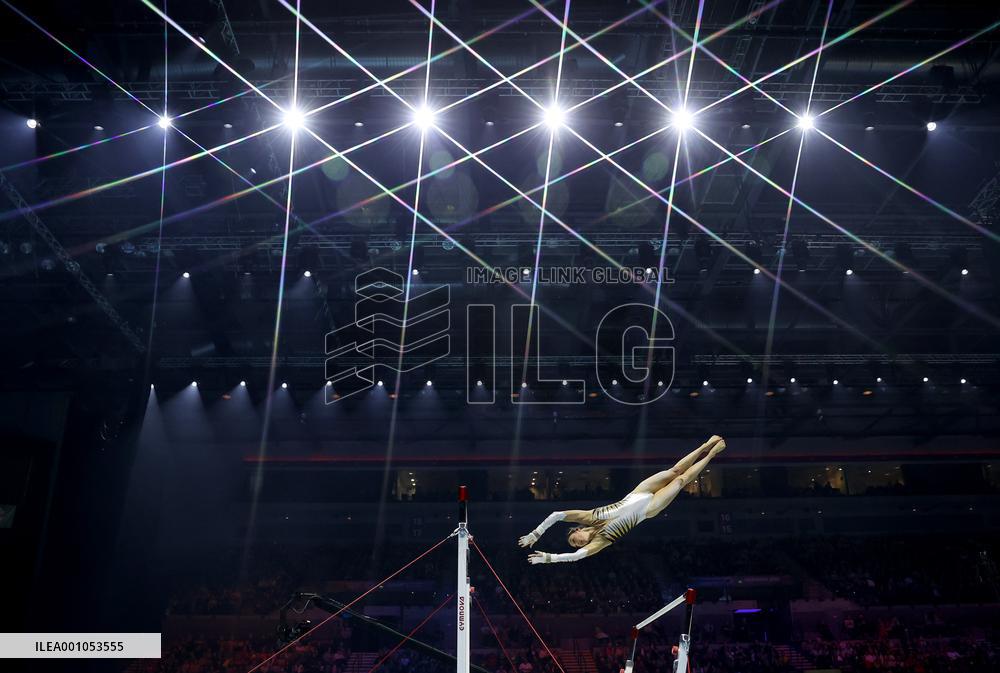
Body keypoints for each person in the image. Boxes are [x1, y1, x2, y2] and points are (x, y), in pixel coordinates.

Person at [519, 435, 725, 564]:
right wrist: (549, 558)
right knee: (681, 481)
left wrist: (536, 533)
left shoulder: (589, 517)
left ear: (577, 529)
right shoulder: (601, 542)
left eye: (574, 540)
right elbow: (576, 556)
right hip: (648, 510)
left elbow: (557, 515)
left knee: (674, 471)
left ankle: (705, 445)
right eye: (575, 545)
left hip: (637, 493)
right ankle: (712, 455)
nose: (576, 544)